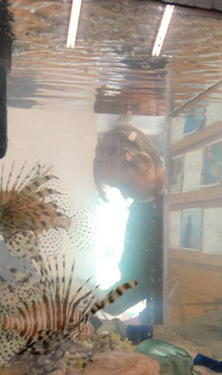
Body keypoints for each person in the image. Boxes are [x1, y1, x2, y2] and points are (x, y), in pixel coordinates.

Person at [93, 123, 165, 325]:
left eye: (125, 185)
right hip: (158, 321)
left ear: (145, 162)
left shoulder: (179, 202)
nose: (124, 194)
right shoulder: (139, 210)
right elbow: (134, 281)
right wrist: (95, 306)